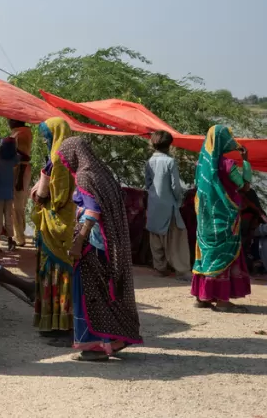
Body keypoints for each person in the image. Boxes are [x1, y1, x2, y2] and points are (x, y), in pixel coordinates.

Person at [58, 137, 143, 361]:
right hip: (109, 245)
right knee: (108, 292)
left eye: (66, 160)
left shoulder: (85, 177)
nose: (66, 164)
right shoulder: (103, 173)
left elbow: (92, 212)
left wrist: (78, 242)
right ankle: (117, 340)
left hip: (93, 246)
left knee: (90, 295)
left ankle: (94, 347)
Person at [191, 125, 251, 312]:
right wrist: (246, 161)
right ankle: (223, 300)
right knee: (224, 255)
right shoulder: (228, 165)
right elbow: (245, 186)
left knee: (207, 255)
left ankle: (203, 297)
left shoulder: (201, 164)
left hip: (205, 219)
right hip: (224, 218)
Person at [31, 117, 76, 340]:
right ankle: (61, 322)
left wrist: (38, 193)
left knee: (56, 273)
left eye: (46, 134)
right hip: (66, 224)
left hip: (56, 222)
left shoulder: (58, 160)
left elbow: (55, 198)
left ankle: (59, 325)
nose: (43, 138)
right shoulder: (70, 155)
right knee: (61, 273)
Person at [144, 131, 191, 277]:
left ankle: (160, 268)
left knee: (155, 237)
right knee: (175, 238)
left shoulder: (149, 162)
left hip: (153, 204)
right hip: (168, 205)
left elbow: (148, 184)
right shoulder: (170, 162)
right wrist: (179, 200)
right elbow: (175, 186)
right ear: (169, 145)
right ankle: (181, 269)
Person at [8, 119, 34, 247]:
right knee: (17, 205)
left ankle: (19, 238)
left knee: (16, 206)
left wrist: (19, 178)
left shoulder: (22, 133)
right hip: (18, 172)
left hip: (20, 172)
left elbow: (24, 157)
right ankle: (19, 234)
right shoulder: (19, 132)